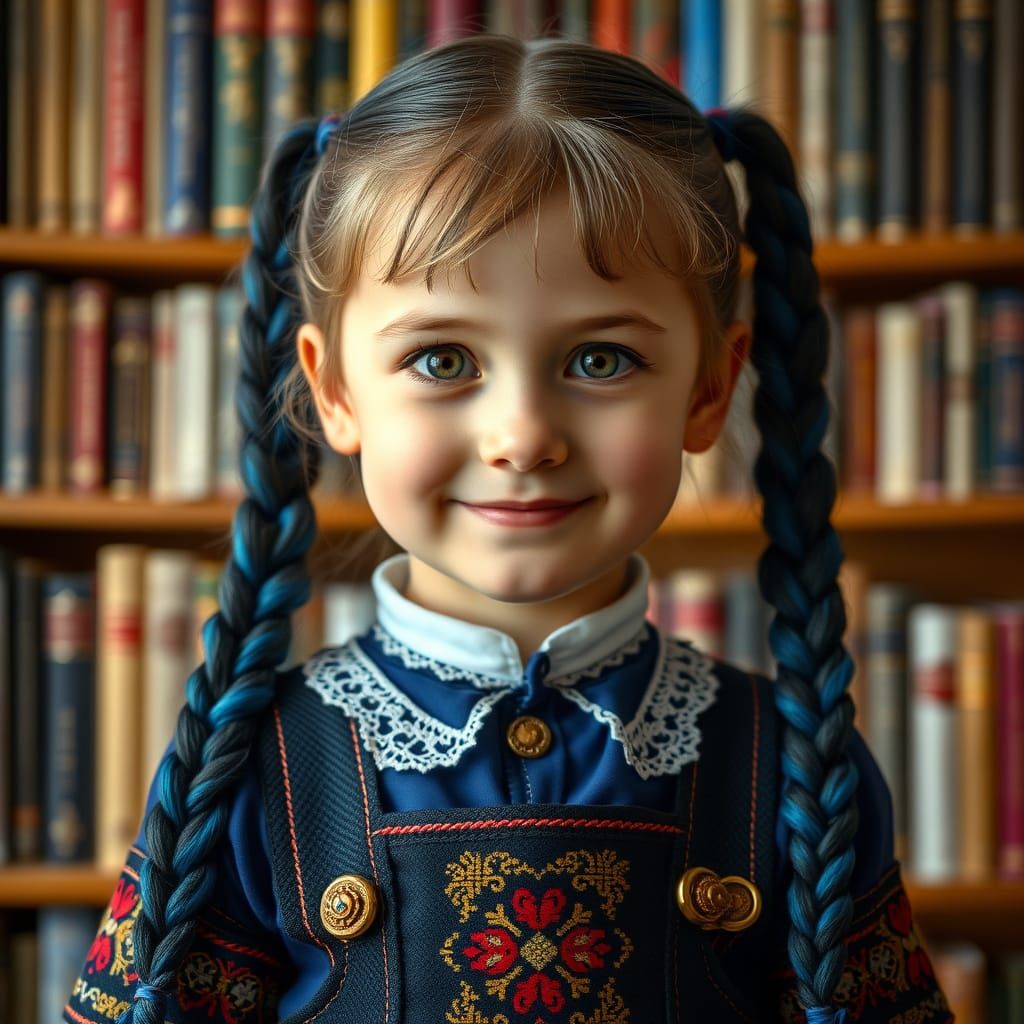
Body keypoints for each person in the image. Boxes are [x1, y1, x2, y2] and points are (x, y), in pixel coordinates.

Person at [64, 32, 953, 1024]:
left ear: (710, 387)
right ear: (332, 389)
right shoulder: (247, 766)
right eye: (443, 361)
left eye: (602, 360)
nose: (523, 436)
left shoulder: (793, 764)